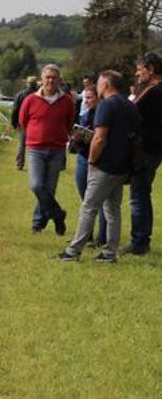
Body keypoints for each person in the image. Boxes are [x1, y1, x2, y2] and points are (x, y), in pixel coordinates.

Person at [58, 71, 141, 262]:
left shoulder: (107, 105)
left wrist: (92, 161)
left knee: (89, 207)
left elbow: (99, 138)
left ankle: (73, 250)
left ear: (107, 84)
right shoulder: (131, 106)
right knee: (113, 210)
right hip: (123, 166)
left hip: (104, 165)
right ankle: (110, 252)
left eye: (99, 83)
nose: (97, 87)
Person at [20, 64, 75, 235]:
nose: (50, 80)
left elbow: (70, 122)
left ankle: (38, 223)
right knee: (36, 185)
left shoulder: (67, 101)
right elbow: (23, 121)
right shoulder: (30, 100)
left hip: (57, 149)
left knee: (49, 189)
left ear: (59, 80)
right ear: (41, 80)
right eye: (47, 77)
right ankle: (58, 215)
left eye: (54, 77)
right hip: (36, 148)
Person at [124, 52, 162, 256]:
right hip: (156, 150)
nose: (137, 74)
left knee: (138, 196)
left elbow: (129, 109)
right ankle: (142, 239)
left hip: (144, 150)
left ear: (151, 70)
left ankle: (139, 241)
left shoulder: (151, 91)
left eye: (140, 70)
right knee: (143, 194)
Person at [72, 86, 107, 248]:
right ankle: (88, 235)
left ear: (99, 98)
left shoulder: (105, 115)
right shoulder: (85, 116)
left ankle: (102, 237)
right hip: (82, 158)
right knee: (85, 199)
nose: (86, 101)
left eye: (90, 98)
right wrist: (77, 138)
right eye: (85, 98)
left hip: (99, 161)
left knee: (100, 201)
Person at [11, 76, 39, 170]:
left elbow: (15, 110)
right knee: (35, 145)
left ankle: (20, 164)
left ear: (27, 84)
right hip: (37, 123)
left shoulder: (20, 94)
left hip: (22, 122)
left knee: (21, 144)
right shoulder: (39, 94)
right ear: (35, 84)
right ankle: (35, 165)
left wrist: (14, 123)